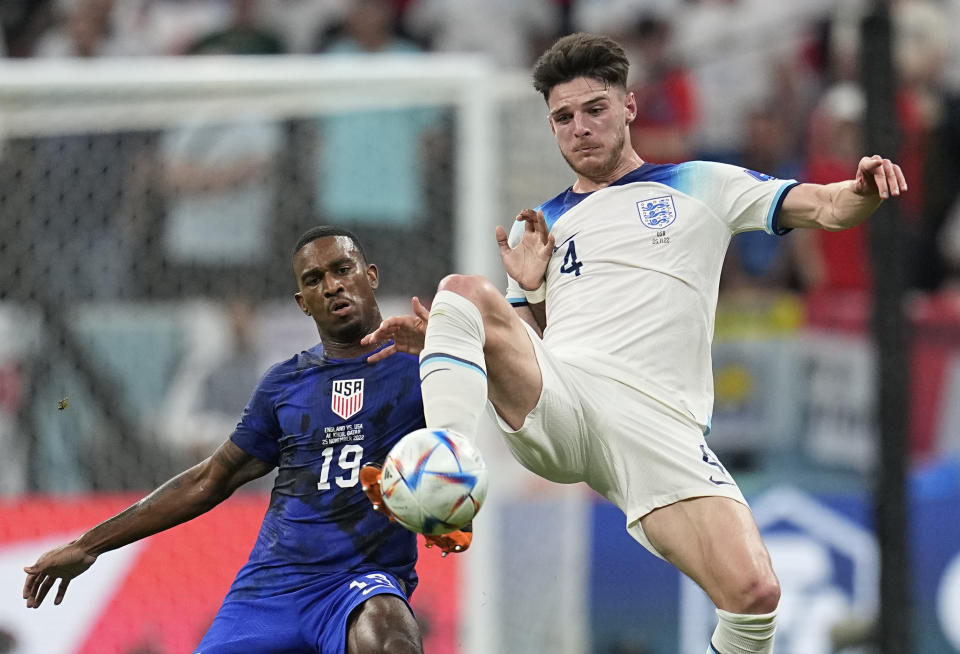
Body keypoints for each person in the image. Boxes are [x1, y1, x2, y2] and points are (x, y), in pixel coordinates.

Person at [361, 33, 907, 654]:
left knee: (755, 597)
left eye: (594, 109)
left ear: (629, 107)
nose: (580, 128)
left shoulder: (701, 183)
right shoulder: (538, 225)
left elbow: (828, 207)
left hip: (659, 426)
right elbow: (520, 347)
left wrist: (860, 189)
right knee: (463, 289)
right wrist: (518, 295)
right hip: (565, 398)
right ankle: (443, 469)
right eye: (563, 118)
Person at [22, 226, 466, 654]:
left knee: (387, 637)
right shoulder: (284, 384)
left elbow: (504, 407)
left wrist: (454, 352)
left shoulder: (425, 365)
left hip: (361, 583)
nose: (331, 286)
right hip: (274, 587)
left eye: (342, 269)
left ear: (370, 275)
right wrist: (87, 546)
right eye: (314, 280)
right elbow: (209, 480)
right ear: (302, 302)